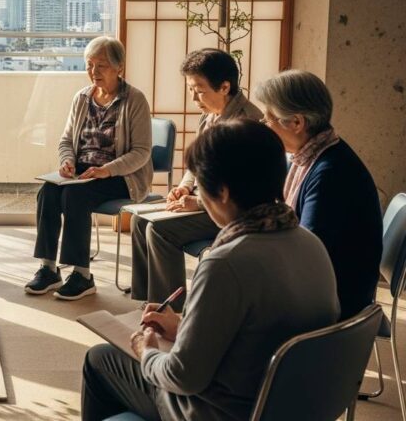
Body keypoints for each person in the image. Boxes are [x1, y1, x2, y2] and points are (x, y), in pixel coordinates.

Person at [81, 119, 339, 420]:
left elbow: (183, 377)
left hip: (220, 412)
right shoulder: (311, 244)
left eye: (201, 185)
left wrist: (146, 350)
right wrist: (183, 329)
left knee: (100, 359)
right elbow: (258, 334)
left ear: (224, 192)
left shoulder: (225, 263)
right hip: (289, 405)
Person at [129, 49, 262, 311]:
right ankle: (151, 302)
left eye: (199, 89)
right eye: (191, 89)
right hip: (208, 202)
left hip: (234, 212)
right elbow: (197, 162)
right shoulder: (209, 116)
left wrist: (198, 202)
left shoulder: (247, 123)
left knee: (159, 230)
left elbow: (240, 186)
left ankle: (171, 308)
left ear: (224, 87)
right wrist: (183, 187)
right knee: (139, 219)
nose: (193, 97)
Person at [26, 37, 152, 300]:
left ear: (119, 68)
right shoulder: (82, 97)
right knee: (48, 192)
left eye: (102, 66)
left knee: (75, 196)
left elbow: (141, 152)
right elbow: (66, 140)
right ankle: (48, 269)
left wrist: (106, 170)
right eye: (89, 65)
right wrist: (67, 161)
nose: (94, 72)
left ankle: (82, 275)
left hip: (121, 175)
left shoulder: (135, 100)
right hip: (82, 171)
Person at [257, 70, 382, 320]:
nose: (263, 124)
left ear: (296, 123)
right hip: (322, 285)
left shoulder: (331, 173)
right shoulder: (312, 154)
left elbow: (308, 253)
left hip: (333, 301)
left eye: (268, 118)